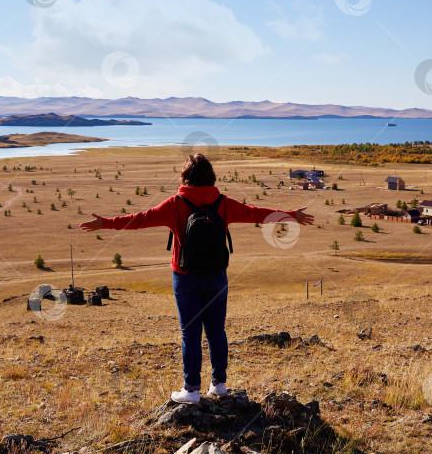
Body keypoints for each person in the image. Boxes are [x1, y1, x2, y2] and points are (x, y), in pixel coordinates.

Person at [80, 154, 313, 404]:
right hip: (216, 277)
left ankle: (191, 390)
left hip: (185, 277)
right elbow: (257, 213)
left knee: (189, 334)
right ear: (210, 177)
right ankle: (219, 385)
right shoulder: (223, 203)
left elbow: (140, 219)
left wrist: (105, 224)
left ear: (185, 177)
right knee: (216, 331)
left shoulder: (175, 204)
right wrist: (291, 215)